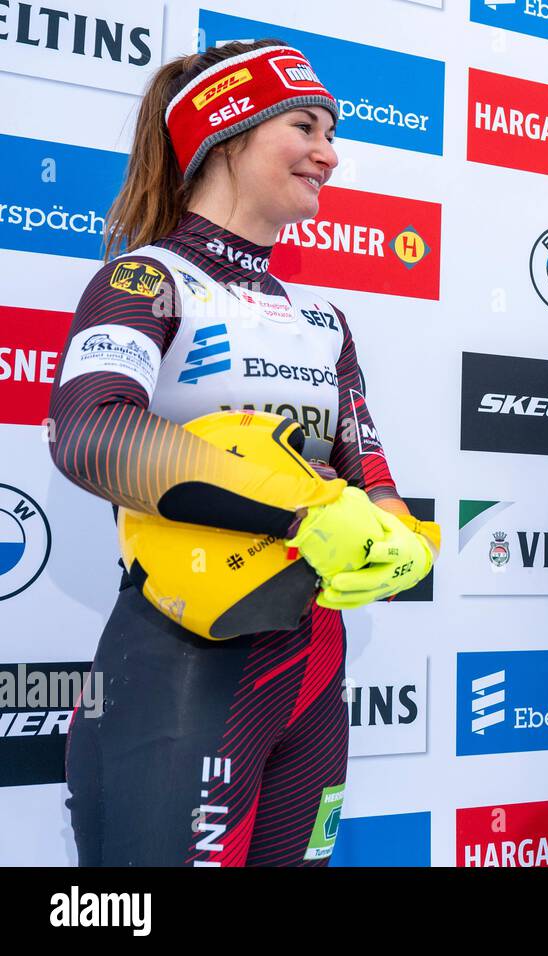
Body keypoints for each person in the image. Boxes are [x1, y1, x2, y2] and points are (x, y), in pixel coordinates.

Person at [48, 40, 437, 866]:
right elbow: (89, 431)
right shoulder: (146, 281)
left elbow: (371, 477)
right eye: (305, 126)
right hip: (178, 661)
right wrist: (303, 509)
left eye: (331, 132)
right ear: (227, 136)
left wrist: (399, 541)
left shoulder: (322, 321)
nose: (329, 153)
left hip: (312, 669)